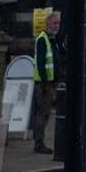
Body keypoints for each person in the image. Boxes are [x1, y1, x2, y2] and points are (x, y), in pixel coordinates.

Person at [32, 12, 59, 155]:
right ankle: (39, 143)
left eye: (58, 23)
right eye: (54, 23)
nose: (57, 26)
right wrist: (44, 84)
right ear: (48, 24)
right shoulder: (43, 39)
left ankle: (39, 141)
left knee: (45, 113)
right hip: (44, 84)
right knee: (42, 113)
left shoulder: (51, 39)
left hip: (49, 83)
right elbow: (41, 63)